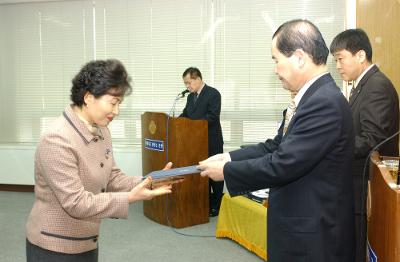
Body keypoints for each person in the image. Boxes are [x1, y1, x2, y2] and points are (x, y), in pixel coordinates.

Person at [198, 19, 355, 262]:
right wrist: (229, 156)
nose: (275, 69)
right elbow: (276, 145)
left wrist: (227, 171)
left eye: (276, 59)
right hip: (301, 226)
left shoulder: (323, 103)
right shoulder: (312, 97)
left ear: (300, 57)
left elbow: (282, 163)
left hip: (313, 238)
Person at [26, 59, 174, 262]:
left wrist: (151, 179)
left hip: (87, 239)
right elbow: (76, 203)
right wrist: (130, 197)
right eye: (113, 103)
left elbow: (112, 177)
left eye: (119, 103)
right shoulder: (57, 138)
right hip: (55, 246)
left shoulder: (101, 129)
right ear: (88, 97)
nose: (116, 111)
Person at [330, 29, 399, 262]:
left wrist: (331, 145)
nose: (337, 65)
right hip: (356, 183)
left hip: (366, 186)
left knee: (361, 250)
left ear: (360, 55)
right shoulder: (362, 85)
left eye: (340, 58)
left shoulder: (376, 86)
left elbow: (372, 140)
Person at [180, 67, 224, 217]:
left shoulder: (213, 94)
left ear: (198, 79)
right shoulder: (190, 97)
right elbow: (186, 114)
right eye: (185, 84)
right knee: (201, 173)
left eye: (189, 83)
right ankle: (204, 202)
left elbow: (212, 117)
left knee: (214, 174)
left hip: (211, 140)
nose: (187, 86)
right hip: (195, 143)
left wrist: (193, 125)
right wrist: (172, 122)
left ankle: (217, 205)